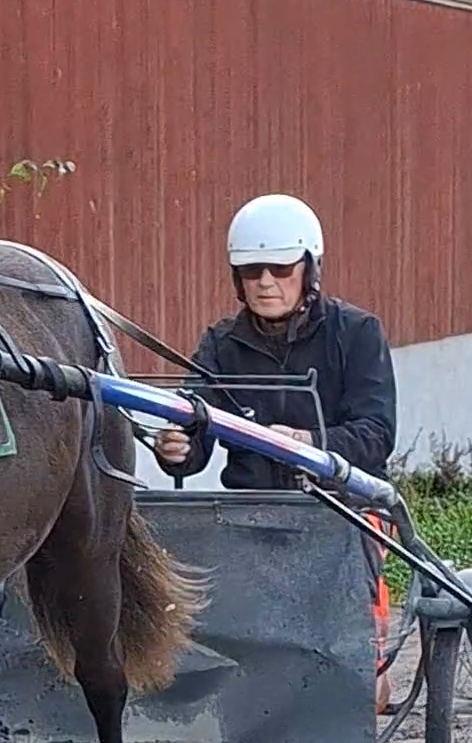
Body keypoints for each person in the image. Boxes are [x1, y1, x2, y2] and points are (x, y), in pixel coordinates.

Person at [153, 193, 397, 712]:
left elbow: (377, 433)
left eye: (280, 267)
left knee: (362, 693)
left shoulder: (356, 333)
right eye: (251, 269)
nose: (265, 281)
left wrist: (310, 443)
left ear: (308, 268)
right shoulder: (219, 344)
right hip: (252, 511)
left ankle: (368, 664)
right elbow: (195, 434)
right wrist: (176, 447)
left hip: (344, 508)